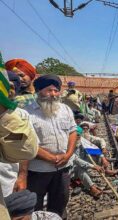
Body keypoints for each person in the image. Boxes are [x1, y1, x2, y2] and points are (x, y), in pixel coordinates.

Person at [25, 74, 77, 218]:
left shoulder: (65, 109)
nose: (53, 94)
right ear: (39, 91)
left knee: (60, 201)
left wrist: (68, 154)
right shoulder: (27, 112)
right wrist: (50, 157)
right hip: (38, 170)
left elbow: (73, 132)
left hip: (63, 168)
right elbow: (26, 142)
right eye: (49, 90)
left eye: (56, 90)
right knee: (35, 205)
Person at [0, 59, 39, 220]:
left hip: (10, 175)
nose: (20, 79)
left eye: (22, 75)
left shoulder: (16, 112)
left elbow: (26, 149)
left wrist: (22, 175)